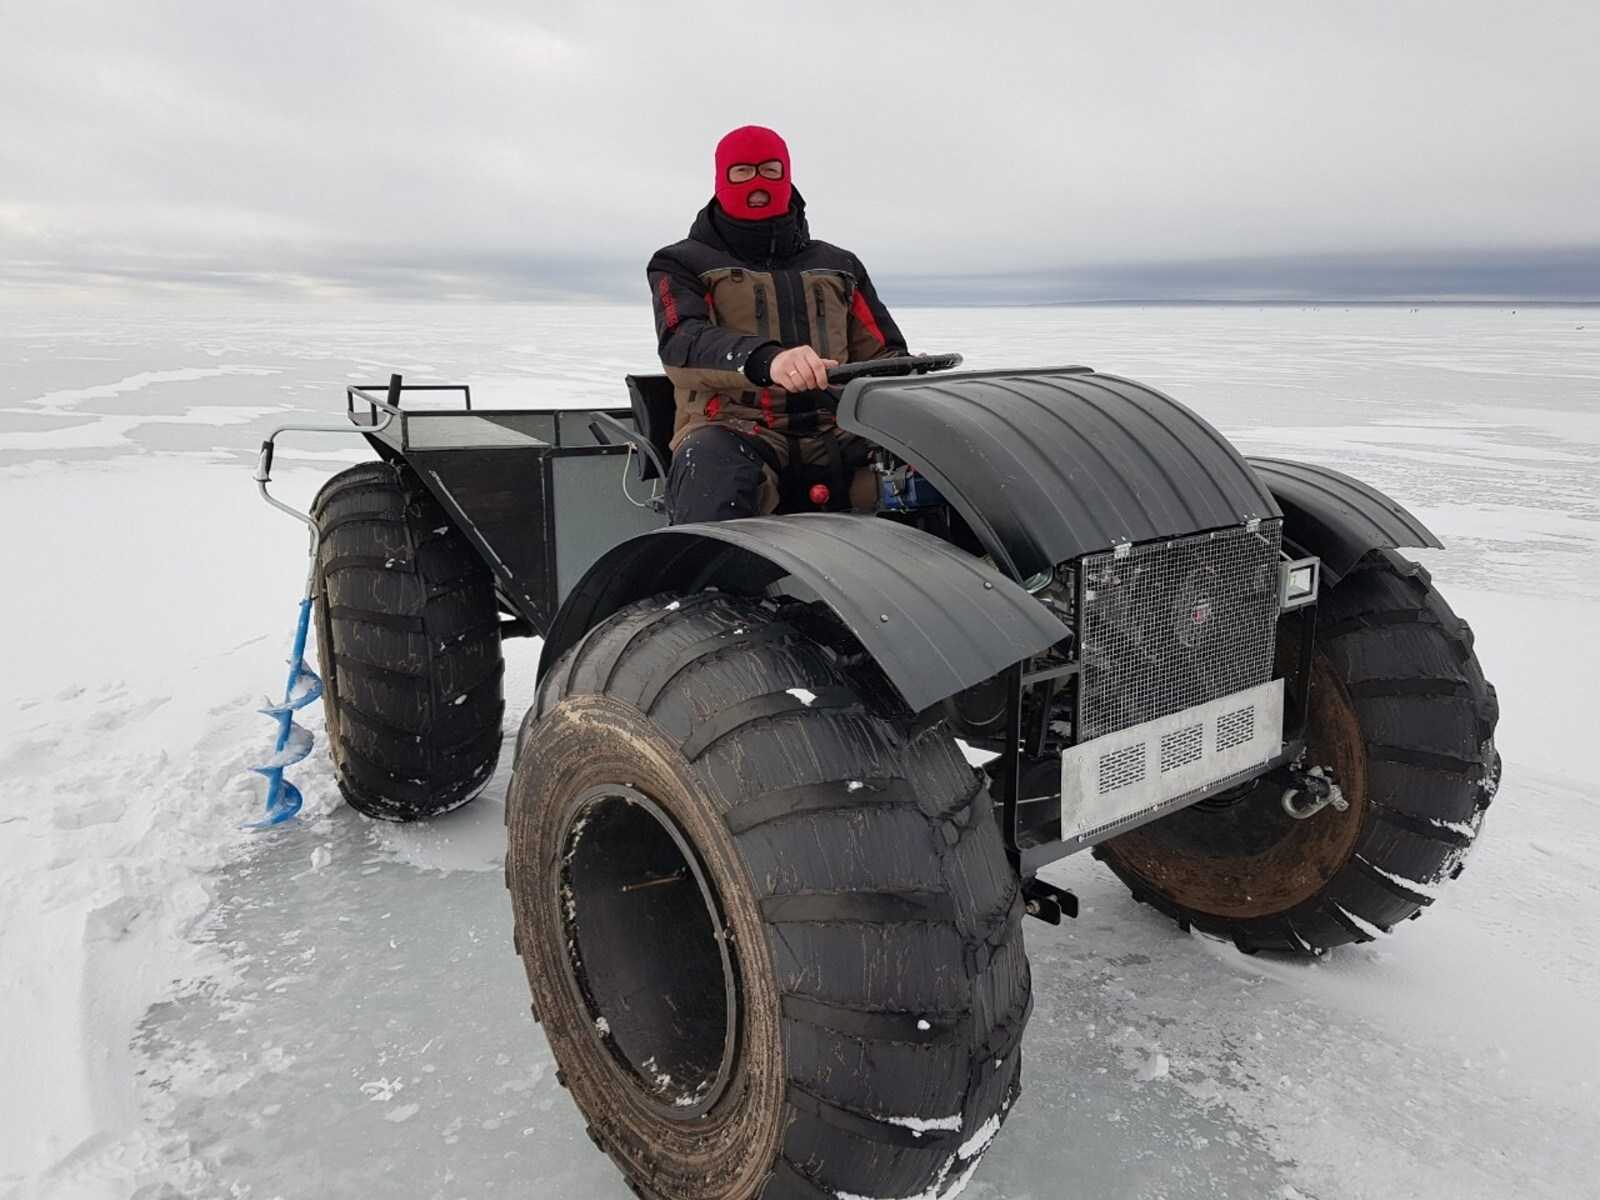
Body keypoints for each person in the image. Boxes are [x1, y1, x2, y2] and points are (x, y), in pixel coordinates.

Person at [647, 125, 908, 523]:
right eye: (742, 172)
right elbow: (682, 342)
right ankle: (707, 584)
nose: (757, 183)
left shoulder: (841, 265)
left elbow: (884, 350)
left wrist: (905, 372)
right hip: (734, 428)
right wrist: (768, 361)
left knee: (939, 463)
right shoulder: (681, 262)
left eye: (770, 170)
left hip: (838, 430)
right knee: (711, 467)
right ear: (722, 179)